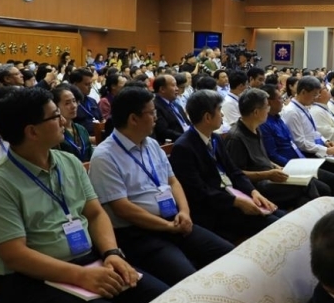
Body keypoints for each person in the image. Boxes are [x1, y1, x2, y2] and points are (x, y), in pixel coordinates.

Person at [0, 87, 168, 303]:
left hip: (87, 261)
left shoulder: (69, 162)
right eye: (55, 116)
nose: (64, 121)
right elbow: (14, 255)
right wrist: (80, 276)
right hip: (30, 282)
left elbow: (95, 213)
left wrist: (111, 253)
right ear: (32, 131)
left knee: (160, 299)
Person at [89, 87, 233, 286]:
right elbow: (122, 208)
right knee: (190, 279)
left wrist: (184, 212)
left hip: (174, 221)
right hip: (139, 233)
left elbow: (172, 181)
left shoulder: (151, 144)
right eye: (152, 112)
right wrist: (167, 226)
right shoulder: (105, 156)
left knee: (229, 255)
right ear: (133, 119)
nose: (156, 117)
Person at [170, 90, 282, 242]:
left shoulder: (215, 138)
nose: (222, 115)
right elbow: (199, 192)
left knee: (281, 216)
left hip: (232, 196)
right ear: (207, 117)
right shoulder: (183, 147)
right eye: (219, 110)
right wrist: (237, 202)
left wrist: (253, 192)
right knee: (275, 225)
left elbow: (234, 171)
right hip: (214, 209)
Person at [224, 88, 322, 209]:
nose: (268, 110)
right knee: (305, 187)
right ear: (256, 112)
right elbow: (236, 173)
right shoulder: (236, 138)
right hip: (256, 186)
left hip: (268, 174)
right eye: (266, 107)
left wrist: (275, 166)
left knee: (308, 185)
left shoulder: (256, 127)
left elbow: (261, 157)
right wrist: (267, 174)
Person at [259, 85, 334, 196]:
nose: (282, 101)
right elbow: (272, 154)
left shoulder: (278, 118)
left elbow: (312, 133)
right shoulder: (267, 123)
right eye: (279, 98)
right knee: (326, 187)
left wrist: (325, 142)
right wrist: (295, 165)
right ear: (269, 102)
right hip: (289, 164)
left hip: (300, 158)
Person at [280, 77, 334, 179]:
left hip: (321, 148)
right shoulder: (292, 112)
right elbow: (300, 142)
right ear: (303, 92)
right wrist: (326, 150)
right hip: (309, 154)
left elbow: (314, 132)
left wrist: (326, 141)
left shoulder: (305, 107)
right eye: (314, 94)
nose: (316, 98)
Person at [52, 85, 93, 162]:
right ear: (55, 107)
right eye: (67, 103)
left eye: (74, 101)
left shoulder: (81, 129)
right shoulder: (55, 133)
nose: (73, 106)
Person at [153, 74, 191, 143]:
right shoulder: (155, 106)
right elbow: (163, 132)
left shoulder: (176, 104)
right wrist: (187, 137)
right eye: (173, 85)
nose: (177, 89)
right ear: (162, 89)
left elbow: (187, 123)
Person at [70, 67, 103, 135]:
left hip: (99, 134)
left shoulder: (92, 101)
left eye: (91, 84)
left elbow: (101, 119)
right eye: (87, 84)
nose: (90, 87)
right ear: (75, 85)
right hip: (82, 138)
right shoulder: (69, 104)